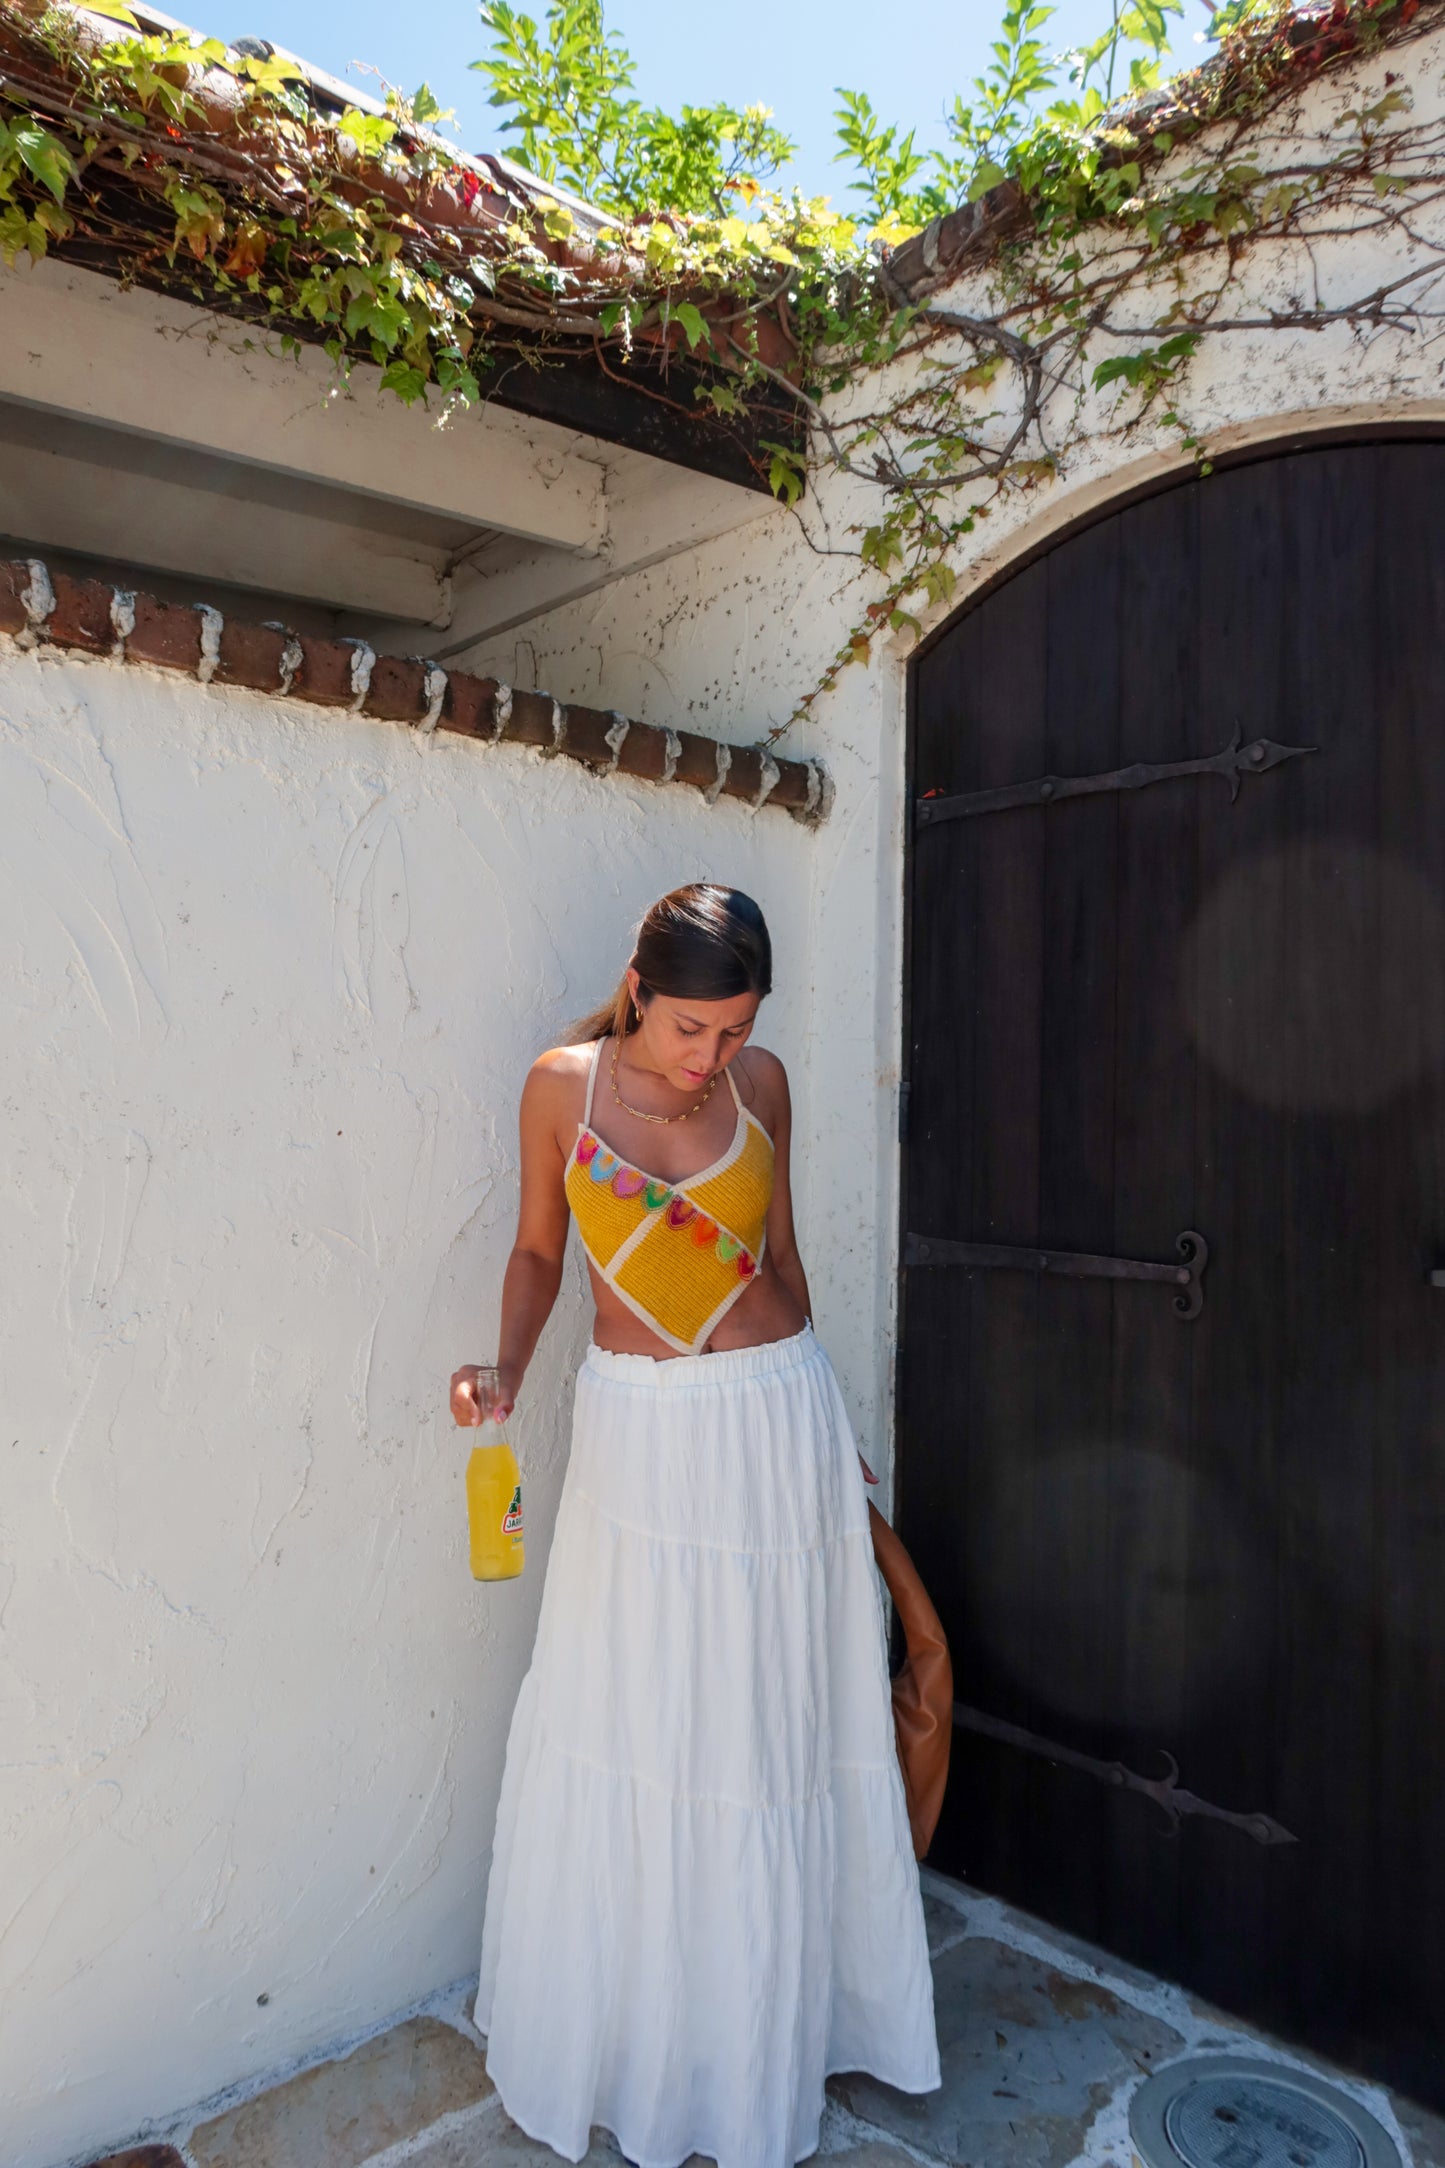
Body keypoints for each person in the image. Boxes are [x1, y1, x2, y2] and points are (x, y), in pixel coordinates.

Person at [450, 883, 939, 2168]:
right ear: (637, 986)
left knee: (776, 1728)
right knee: (644, 1720)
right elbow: (539, 1255)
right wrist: (500, 1366)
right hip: (644, 1440)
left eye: (731, 1030)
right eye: (686, 1029)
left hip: (776, 1423)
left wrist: (829, 1420)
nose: (707, 1057)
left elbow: (782, 1261)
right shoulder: (560, 1087)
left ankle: (761, 2044)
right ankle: (641, 2044)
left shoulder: (764, 1084)